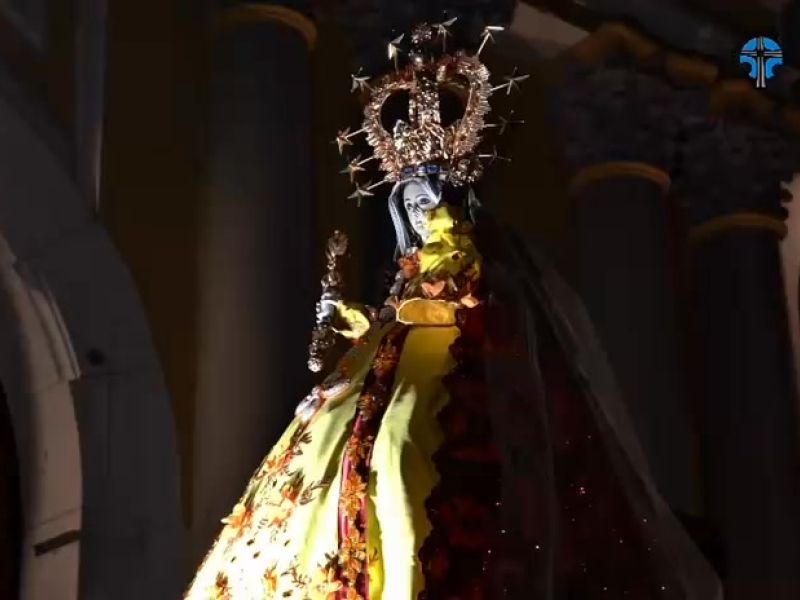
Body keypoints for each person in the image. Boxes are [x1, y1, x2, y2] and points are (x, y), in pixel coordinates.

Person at [185, 20, 722, 600]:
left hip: (447, 379)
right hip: (390, 378)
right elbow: (389, 327)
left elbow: (463, 306)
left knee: (403, 455)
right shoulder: (411, 270)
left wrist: (422, 301)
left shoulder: (470, 255)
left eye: (427, 200)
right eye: (410, 203)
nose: (420, 213)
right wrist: (348, 317)